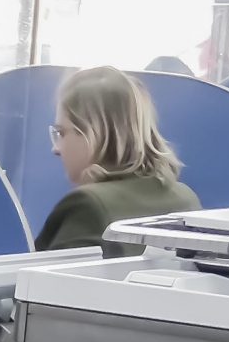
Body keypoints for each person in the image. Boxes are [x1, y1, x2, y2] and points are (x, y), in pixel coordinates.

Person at [33, 66, 200, 253]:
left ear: (94, 133)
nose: (56, 148)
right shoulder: (188, 200)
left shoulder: (87, 207)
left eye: (61, 133)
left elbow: (43, 282)